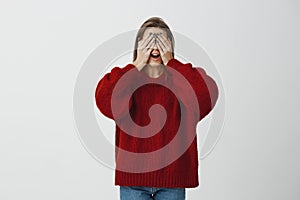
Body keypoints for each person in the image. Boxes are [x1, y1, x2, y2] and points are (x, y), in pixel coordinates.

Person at [95, 17, 219, 200]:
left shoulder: (181, 80)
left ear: (170, 46)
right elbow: (104, 100)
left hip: (173, 182)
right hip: (133, 182)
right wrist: (137, 64)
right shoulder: (128, 81)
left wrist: (172, 63)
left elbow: (206, 97)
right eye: (149, 41)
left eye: (161, 41)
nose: (155, 47)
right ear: (139, 45)